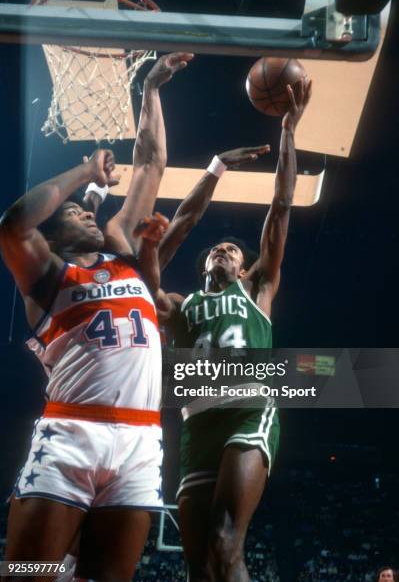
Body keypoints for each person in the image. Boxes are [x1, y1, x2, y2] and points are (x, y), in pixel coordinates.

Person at [0, 52, 192, 582]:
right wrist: (85, 171)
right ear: (54, 233)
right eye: (76, 212)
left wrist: (151, 89)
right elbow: (14, 223)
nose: (89, 211)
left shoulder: (124, 256)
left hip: (140, 441)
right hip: (71, 434)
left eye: (88, 208)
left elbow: (151, 165)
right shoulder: (46, 277)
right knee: (28, 573)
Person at [158, 77, 312, 581]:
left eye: (236, 252)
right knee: (199, 565)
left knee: (227, 539)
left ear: (246, 268)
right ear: (207, 262)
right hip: (196, 421)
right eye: (219, 249)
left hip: (248, 405)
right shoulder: (180, 306)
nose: (226, 251)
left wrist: (288, 130)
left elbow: (282, 206)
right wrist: (215, 168)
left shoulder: (256, 289)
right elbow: (162, 248)